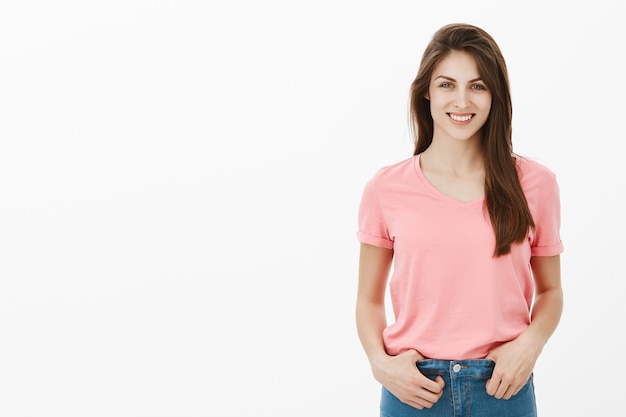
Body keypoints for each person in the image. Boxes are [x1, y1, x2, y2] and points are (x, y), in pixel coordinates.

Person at [355, 23, 563, 417]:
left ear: (495, 95)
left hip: (502, 387)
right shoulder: (385, 188)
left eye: (478, 86)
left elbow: (551, 291)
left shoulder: (535, 185)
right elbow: (368, 299)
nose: (462, 100)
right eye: (447, 85)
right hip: (413, 389)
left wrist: (530, 345)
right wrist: (380, 365)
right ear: (426, 92)